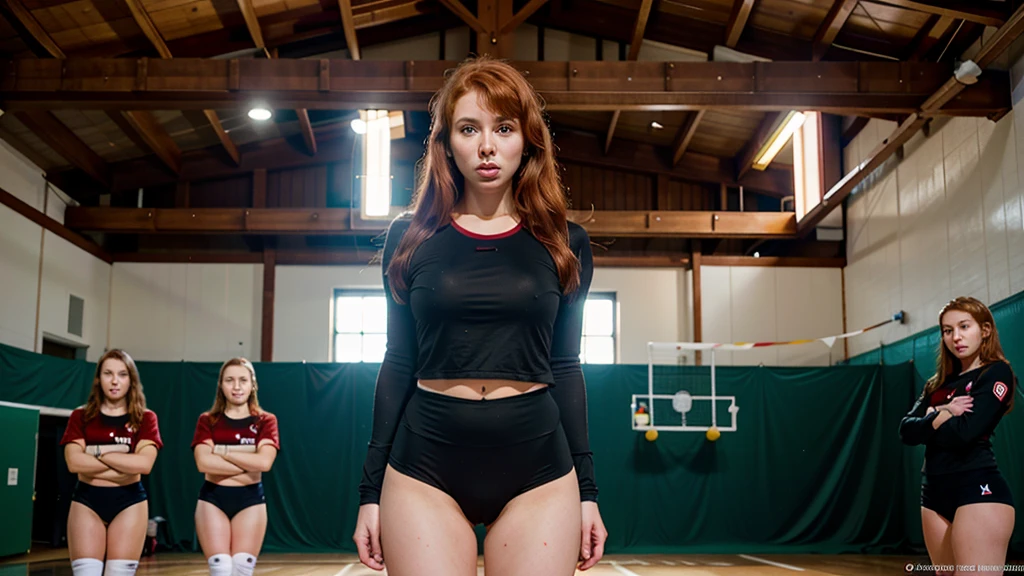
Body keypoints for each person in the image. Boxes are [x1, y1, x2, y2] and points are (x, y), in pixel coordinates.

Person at [352, 56, 608, 575]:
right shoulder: (410, 238)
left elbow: (566, 366)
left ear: (527, 140)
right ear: (447, 142)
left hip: (537, 464)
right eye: (470, 129)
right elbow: (398, 361)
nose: (487, 146)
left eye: (504, 128)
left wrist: (587, 491)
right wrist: (370, 491)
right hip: (425, 462)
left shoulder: (565, 243)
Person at [899, 297, 1016, 576]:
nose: (956, 337)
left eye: (964, 326)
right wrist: (942, 413)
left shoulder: (996, 373)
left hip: (977, 486)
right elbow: (906, 430)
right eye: (948, 330)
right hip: (933, 492)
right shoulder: (936, 384)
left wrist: (929, 418)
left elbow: (966, 433)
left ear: (985, 330)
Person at [61, 349, 162, 576]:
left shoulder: (145, 418)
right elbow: (74, 463)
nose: (115, 381)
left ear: (131, 380)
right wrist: (124, 456)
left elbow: (143, 466)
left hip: (130, 504)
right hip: (86, 502)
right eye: (108, 373)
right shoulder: (81, 416)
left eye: (122, 374)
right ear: (98, 378)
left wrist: (95, 452)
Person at [191, 358, 280, 576]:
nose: (237, 386)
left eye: (243, 380)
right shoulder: (208, 420)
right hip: (213, 499)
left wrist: (222, 451)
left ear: (252, 385)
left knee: (241, 569)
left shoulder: (265, 421)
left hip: (250, 500)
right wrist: (249, 457)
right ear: (221, 385)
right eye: (230, 380)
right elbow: (204, 463)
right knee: (220, 568)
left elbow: (264, 463)